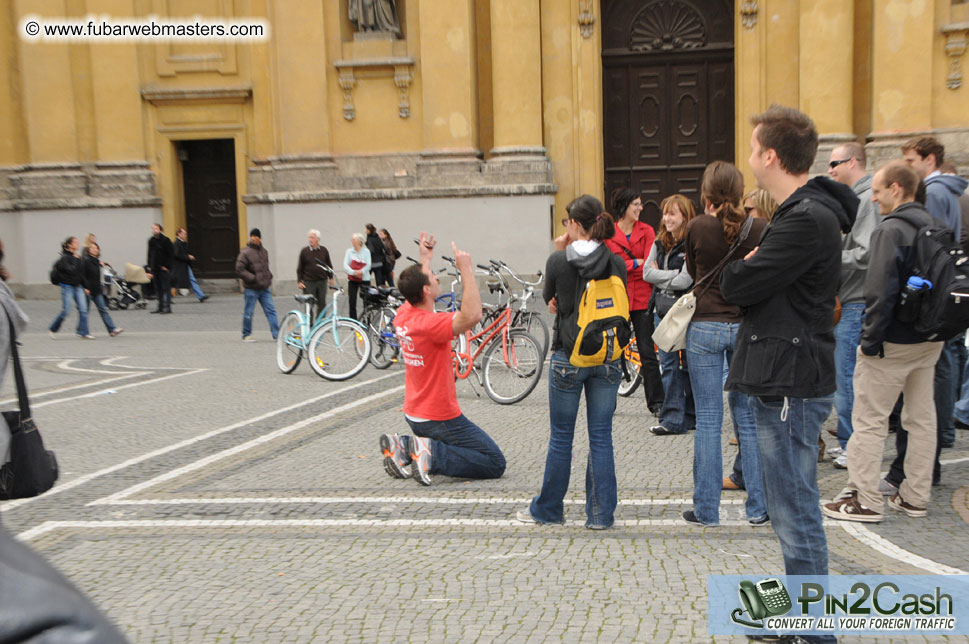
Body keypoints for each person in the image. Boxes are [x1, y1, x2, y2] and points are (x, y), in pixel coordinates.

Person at [721, 106, 856, 644]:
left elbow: (737, 285)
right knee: (785, 505)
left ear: (770, 156)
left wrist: (749, 265)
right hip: (787, 373)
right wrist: (754, 264)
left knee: (795, 507)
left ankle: (815, 630)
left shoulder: (803, 219)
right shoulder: (803, 212)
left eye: (754, 149)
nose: (750, 158)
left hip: (790, 382)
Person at [822, 161, 942, 523]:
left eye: (876, 190)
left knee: (870, 419)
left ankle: (865, 498)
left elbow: (879, 290)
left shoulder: (891, 230)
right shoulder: (935, 225)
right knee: (921, 418)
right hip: (929, 338)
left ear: (896, 188)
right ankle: (915, 496)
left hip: (893, 340)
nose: (872, 198)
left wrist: (869, 341)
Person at [517, 195, 625, 529]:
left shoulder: (558, 261)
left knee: (561, 437)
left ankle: (549, 510)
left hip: (569, 355)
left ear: (575, 224)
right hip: (607, 356)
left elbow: (551, 298)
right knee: (601, 436)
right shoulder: (616, 261)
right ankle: (600, 515)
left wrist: (561, 249)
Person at [379, 232, 505, 486]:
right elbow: (472, 315)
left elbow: (416, 284)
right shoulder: (429, 324)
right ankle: (430, 455)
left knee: (474, 451)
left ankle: (402, 445)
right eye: (434, 277)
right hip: (439, 419)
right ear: (427, 290)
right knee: (493, 461)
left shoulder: (405, 315)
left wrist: (425, 258)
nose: (438, 278)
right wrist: (466, 269)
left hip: (415, 414)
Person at [681, 161, 768, 528]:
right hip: (744, 326)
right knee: (748, 419)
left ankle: (706, 510)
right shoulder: (760, 228)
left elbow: (690, 268)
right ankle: (759, 508)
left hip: (704, 325)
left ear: (707, 192)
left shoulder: (699, 226)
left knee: (709, 421)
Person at [884, 137, 969, 493]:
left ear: (928, 159)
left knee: (918, 402)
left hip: (926, 307)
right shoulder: (955, 192)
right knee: (939, 377)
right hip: (947, 302)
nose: (908, 165)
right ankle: (933, 453)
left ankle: (913, 469)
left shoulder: (931, 195)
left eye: (909, 159)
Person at [825, 141, 878, 469]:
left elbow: (866, 252)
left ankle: (852, 445)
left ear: (853, 162)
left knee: (847, 377)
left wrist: (830, 256)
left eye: (835, 163)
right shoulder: (855, 197)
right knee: (844, 376)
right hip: (851, 298)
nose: (830, 170)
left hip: (855, 300)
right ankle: (847, 439)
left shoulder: (864, 198)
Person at [605, 188, 664, 416]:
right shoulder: (610, 234)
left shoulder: (647, 230)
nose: (640, 208)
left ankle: (657, 402)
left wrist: (632, 266)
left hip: (642, 298)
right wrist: (636, 264)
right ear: (624, 206)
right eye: (636, 204)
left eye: (640, 204)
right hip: (618, 298)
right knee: (612, 351)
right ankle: (607, 401)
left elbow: (651, 265)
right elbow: (613, 265)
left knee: (647, 352)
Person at [643, 194, 696, 435]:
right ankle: (673, 419)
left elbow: (687, 279)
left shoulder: (691, 243)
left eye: (672, 213)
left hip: (684, 311)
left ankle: (690, 415)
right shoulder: (659, 243)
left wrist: (662, 275)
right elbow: (646, 274)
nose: (666, 218)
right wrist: (671, 275)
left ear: (685, 215)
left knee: (689, 365)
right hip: (661, 311)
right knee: (670, 365)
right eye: (665, 213)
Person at [235, 228, 279, 342]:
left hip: (264, 288)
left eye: (255, 236)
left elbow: (266, 268)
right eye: (252, 236)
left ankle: (276, 334)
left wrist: (269, 276)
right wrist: (252, 278)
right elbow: (239, 269)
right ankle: (246, 334)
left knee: (271, 311)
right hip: (251, 288)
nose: (253, 238)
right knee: (248, 312)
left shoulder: (264, 252)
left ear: (259, 238)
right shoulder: (245, 252)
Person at [48, 236, 92, 340]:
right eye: (75, 242)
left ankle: (84, 332)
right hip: (68, 287)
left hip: (78, 286)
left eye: (77, 242)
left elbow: (81, 274)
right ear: (69, 245)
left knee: (83, 309)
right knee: (66, 311)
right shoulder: (65, 257)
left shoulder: (77, 257)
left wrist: (86, 286)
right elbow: (70, 270)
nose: (77, 244)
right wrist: (76, 260)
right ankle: (53, 328)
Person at [82, 241, 123, 337]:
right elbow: (82, 275)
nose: (94, 249)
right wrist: (85, 287)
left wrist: (103, 263)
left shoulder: (96, 261)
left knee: (103, 310)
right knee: (85, 312)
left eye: (96, 248)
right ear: (88, 250)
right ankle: (83, 331)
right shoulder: (86, 261)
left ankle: (112, 329)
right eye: (92, 248)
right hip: (88, 290)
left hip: (97, 290)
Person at [296, 228, 333, 322]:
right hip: (309, 281)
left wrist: (331, 278)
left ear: (318, 239)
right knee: (309, 304)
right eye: (309, 237)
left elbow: (329, 265)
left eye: (312, 237)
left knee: (322, 303)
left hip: (322, 281)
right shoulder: (305, 251)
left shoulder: (324, 250)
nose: (310, 240)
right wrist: (299, 281)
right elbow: (300, 267)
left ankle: (320, 323)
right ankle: (309, 324)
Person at [172, 228, 209, 302]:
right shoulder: (176, 243)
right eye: (184, 233)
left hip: (184, 265)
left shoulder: (182, 243)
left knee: (191, 280)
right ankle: (166, 297)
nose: (185, 235)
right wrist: (187, 257)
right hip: (180, 266)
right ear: (179, 234)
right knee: (174, 281)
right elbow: (176, 254)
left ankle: (200, 295)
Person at [343, 232, 372, 320]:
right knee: (352, 301)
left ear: (359, 241)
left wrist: (361, 271)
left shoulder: (366, 251)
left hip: (364, 279)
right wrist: (353, 272)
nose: (352, 241)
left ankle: (367, 320)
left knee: (366, 301)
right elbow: (345, 265)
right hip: (352, 279)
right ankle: (353, 321)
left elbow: (369, 264)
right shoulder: (349, 251)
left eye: (353, 239)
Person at [146, 223, 173, 314]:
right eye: (153, 229)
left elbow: (171, 255)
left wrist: (168, 266)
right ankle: (160, 306)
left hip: (163, 267)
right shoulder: (151, 241)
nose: (154, 230)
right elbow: (149, 254)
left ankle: (168, 307)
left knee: (166, 288)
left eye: (156, 229)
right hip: (155, 267)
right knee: (158, 288)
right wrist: (149, 266)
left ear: (160, 230)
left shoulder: (166, 240)